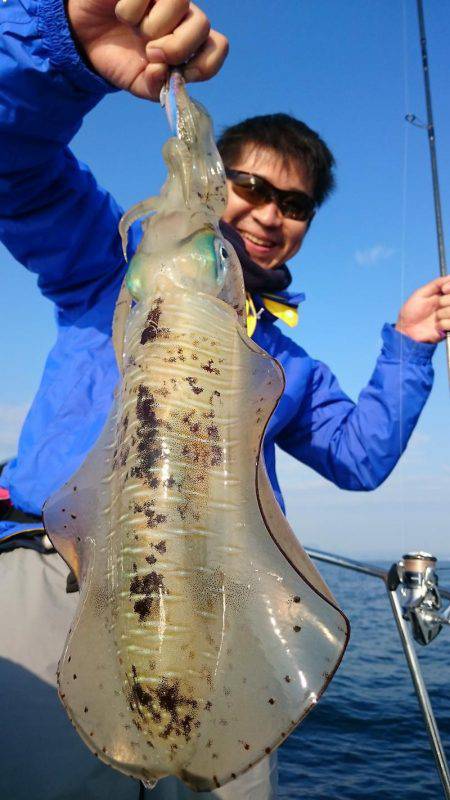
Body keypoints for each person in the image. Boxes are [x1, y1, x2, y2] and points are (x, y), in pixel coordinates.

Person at [1, 0, 450, 798]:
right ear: (216, 182)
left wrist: (410, 345)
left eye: (297, 204)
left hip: (218, 601)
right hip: (56, 567)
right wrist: (60, 44)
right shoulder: (105, 263)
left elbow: (357, 457)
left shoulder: (285, 362)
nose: (271, 213)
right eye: (250, 185)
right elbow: (15, 162)